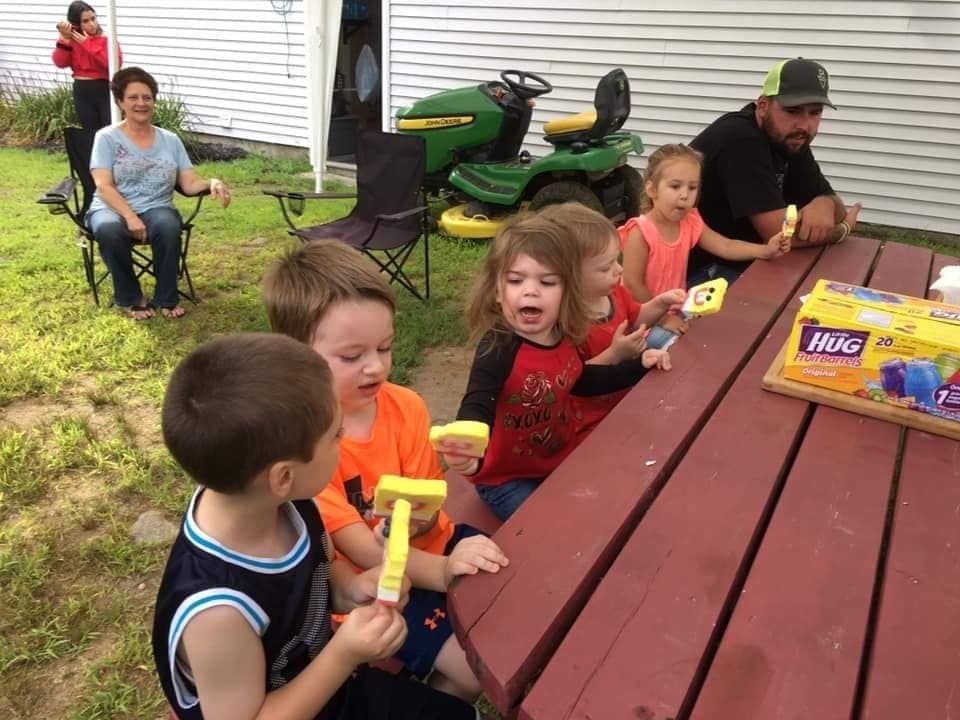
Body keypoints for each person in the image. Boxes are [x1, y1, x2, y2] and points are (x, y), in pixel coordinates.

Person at [153, 333, 480, 720]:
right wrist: (344, 653)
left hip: (327, 680)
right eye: (336, 436)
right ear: (283, 476)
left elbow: (321, 570)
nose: (346, 444)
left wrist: (353, 589)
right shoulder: (218, 614)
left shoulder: (290, 503)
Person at [262, 240, 509, 702]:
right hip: (378, 586)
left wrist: (433, 527)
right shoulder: (308, 446)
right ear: (296, 356)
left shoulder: (406, 407)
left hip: (433, 551)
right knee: (473, 672)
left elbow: (430, 504)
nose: (375, 366)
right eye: (352, 356)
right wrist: (444, 571)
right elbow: (358, 546)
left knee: (508, 587)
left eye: (385, 347)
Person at [436, 214, 668, 521]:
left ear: (568, 292)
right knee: (547, 531)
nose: (530, 291)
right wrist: (469, 447)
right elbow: (479, 401)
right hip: (505, 478)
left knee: (616, 505)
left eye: (546, 282)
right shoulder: (499, 347)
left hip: (559, 456)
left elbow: (581, 380)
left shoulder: (564, 335)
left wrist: (638, 366)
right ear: (496, 290)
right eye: (516, 280)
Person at [688, 57, 861, 285]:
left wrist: (825, 205)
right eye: (793, 111)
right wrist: (842, 229)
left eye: (815, 113)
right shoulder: (740, 138)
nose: (804, 125)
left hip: (750, 259)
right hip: (700, 272)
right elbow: (778, 234)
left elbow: (833, 205)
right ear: (762, 106)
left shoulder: (790, 140)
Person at [88, 67, 230, 320]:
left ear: (154, 101)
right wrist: (130, 216)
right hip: (111, 207)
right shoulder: (106, 138)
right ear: (121, 101)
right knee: (109, 229)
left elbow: (188, 184)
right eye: (133, 97)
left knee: (166, 224)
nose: (141, 103)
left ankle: (166, 298)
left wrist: (212, 182)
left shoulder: (171, 140)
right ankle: (131, 298)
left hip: (156, 206)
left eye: (147, 97)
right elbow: (104, 185)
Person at [621, 144, 791, 348]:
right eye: (675, 186)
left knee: (728, 321)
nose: (685, 195)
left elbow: (725, 245)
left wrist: (765, 250)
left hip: (676, 307)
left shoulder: (689, 221)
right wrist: (663, 319)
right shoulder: (641, 232)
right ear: (652, 189)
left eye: (692, 187)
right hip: (640, 321)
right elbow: (632, 286)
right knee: (684, 345)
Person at [536, 202, 678, 438]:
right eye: (605, 268)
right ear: (568, 276)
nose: (619, 270)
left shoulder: (613, 294)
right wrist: (616, 354)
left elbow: (637, 317)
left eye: (616, 260)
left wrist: (660, 304)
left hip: (623, 400)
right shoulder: (563, 323)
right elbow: (574, 379)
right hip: (585, 424)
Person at [52, 2, 120, 130]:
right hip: (82, 89)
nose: (92, 24)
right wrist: (64, 39)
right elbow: (60, 63)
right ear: (77, 24)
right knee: (90, 132)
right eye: (85, 21)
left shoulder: (106, 39)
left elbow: (114, 64)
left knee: (110, 130)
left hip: (104, 88)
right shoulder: (72, 39)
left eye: (93, 18)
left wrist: (88, 44)